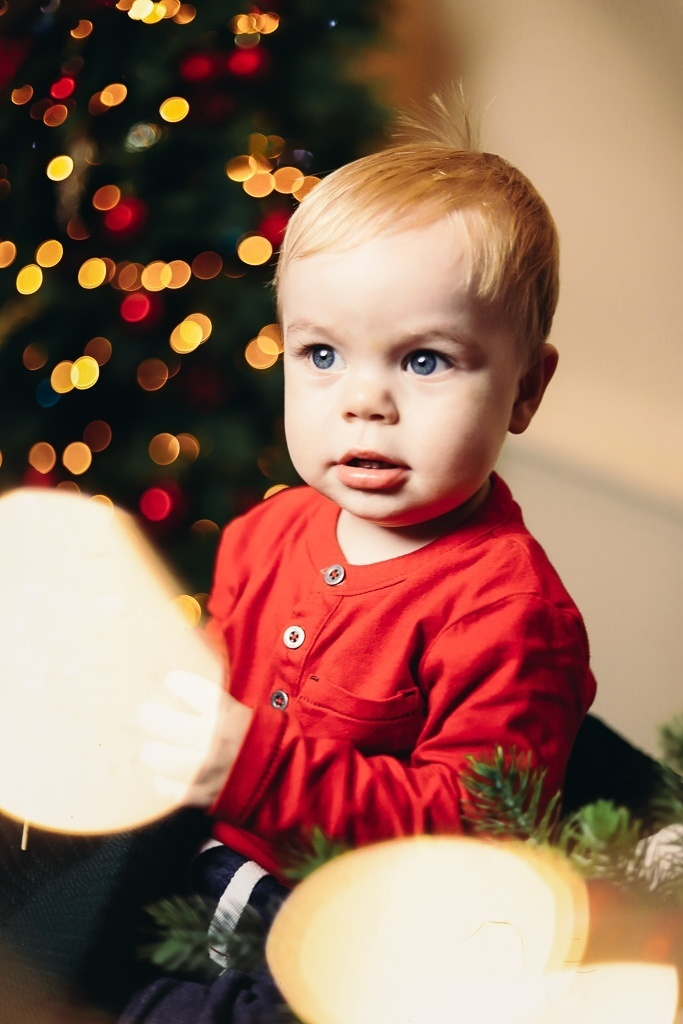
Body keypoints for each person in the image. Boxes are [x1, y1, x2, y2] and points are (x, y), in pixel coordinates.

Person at [126, 104, 597, 1021]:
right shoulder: (264, 536)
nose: (363, 403)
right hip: (202, 889)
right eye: (322, 354)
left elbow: (474, 843)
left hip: (364, 948)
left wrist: (252, 767)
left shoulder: (510, 612)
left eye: (424, 360)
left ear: (525, 390)